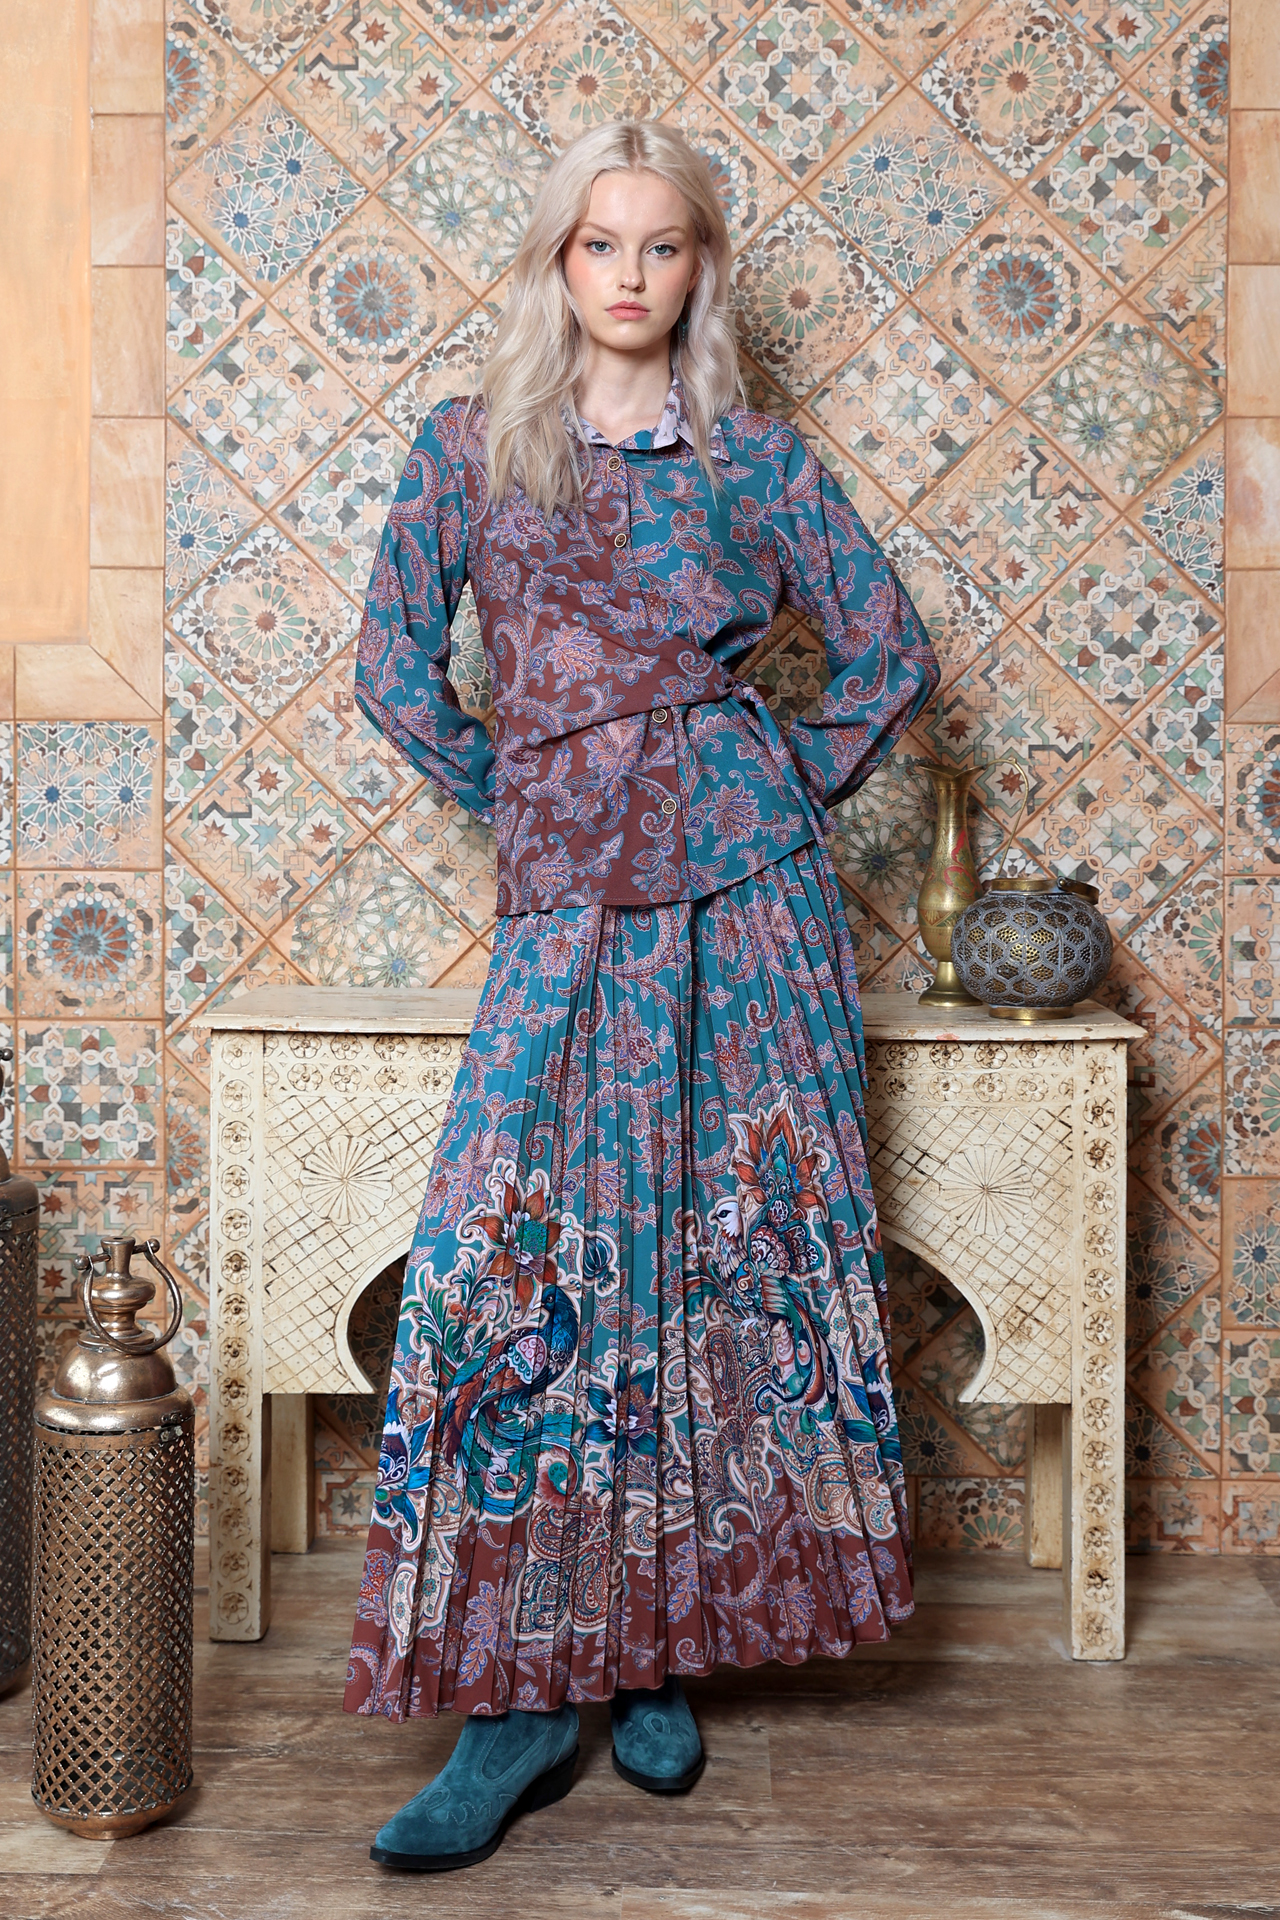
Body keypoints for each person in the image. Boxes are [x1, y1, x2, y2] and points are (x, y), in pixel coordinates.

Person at [345, 118, 940, 1873]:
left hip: (749, 906)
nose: (628, 272)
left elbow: (890, 654)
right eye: (599, 242)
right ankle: (519, 1699)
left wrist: (765, 783)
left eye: (662, 244)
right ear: (557, 261)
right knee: (514, 1256)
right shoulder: (471, 447)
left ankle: (658, 1647)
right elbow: (391, 665)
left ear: (701, 267)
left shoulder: (754, 461)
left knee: (710, 1254)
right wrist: (526, 789)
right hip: (566, 902)